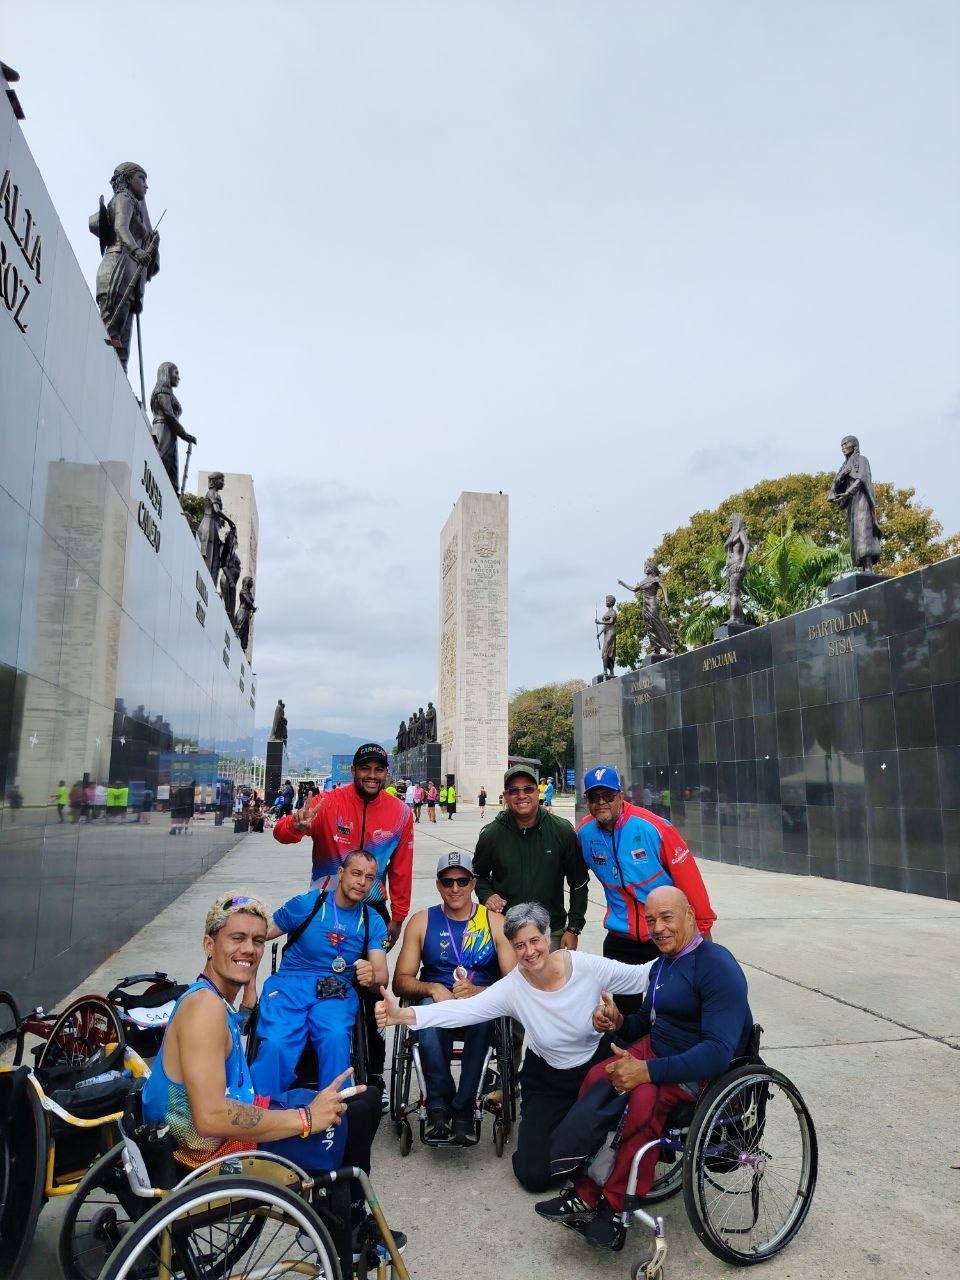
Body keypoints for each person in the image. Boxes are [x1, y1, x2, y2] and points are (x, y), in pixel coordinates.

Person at [141, 890, 398, 1269]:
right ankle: (344, 1225)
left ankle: (341, 1213)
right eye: (237, 938)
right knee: (355, 1114)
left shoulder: (208, 997)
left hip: (209, 1136)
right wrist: (304, 1119)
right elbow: (210, 1117)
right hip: (209, 1156)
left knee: (363, 1099)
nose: (249, 949)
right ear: (209, 944)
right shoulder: (204, 1010)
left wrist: (248, 993)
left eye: (258, 940)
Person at [377, 902, 653, 1191]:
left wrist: (681, 950)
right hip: (549, 1080)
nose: (529, 951)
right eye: (520, 945)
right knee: (532, 1174)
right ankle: (584, 1139)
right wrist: (402, 1015)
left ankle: (591, 1134)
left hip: (597, 1067)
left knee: (621, 1115)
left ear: (547, 936)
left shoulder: (584, 966)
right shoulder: (513, 987)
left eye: (535, 940)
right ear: (512, 947)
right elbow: (462, 1010)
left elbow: (642, 976)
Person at [535, 887, 752, 1250]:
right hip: (656, 1051)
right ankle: (584, 1190)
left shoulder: (717, 967)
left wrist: (646, 1072)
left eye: (667, 918)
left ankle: (614, 1205)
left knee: (643, 1099)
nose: (658, 928)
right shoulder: (664, 963)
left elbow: (717, 1052)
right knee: (598, 1076)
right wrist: (618, 1020)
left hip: (698, 1072)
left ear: (690, 915)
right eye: (651, 920)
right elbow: (649, 1023)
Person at [273, 743, 414, 1098]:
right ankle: (301, 1069)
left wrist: (398, 916)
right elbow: (282, 833)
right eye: (365, 768)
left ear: (386, 773)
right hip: (320, 911)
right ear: (353, 771)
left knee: (371, 990)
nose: (371, 775)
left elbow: (401, 870)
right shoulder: (328, 802)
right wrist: (295, 825)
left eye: (378, 769)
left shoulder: (400, 814)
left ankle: (375, 1076)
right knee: (310, 981)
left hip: (371, 915)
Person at [392, 853, 515, 1143]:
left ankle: (464, 1106)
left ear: (473, 883)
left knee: (485, 1014)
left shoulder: (495, 922)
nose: (455, 888)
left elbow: (515, 984)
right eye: (448, 882)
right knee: (426, 1015)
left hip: (481, 1000)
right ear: (438, 885)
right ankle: (439, 1105)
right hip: (437, 1002)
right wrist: (433, 988)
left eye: (462, 881)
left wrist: (478, 993)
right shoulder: (422, 921)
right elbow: (400, 981)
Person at [249, 852, 388, 1097]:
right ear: (341, 873)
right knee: (277, 1042)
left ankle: (336, 1110)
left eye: (369, 877)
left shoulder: (372, 920)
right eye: (356, 873)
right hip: (290, 982)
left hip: (335, 988)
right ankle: (261, 1109)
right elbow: (255, 938)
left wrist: (372, 977)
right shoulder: (307, 904)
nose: (362, 882)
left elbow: (381, 975)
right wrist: (249, 988)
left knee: (336, 1037)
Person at [577, 766, 716, 1011]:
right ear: (586, 800)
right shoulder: (584, 833)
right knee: (626, 1016)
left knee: (669, 1011)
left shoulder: (653, 827)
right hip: (621, 939)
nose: (601, 802)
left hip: (665, 935)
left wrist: (702, 929)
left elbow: (690, 880)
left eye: (608, 795)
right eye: (594, 797)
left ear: (621, 796)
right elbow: (573, 877)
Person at [474, 765, 589, 949]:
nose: (521, 796)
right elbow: (478, 875)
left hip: (551, 933)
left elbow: (579, 882)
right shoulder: (491, 835)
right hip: (506, 933)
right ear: (505, 796)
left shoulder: (562, 831)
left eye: (528, 789)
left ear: (538, 793)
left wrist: (573, 928)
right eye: (514, 791)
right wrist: (487, 895)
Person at [88, 162, 159, 372]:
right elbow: (120, 227)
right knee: (109, 334)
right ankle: (98, 375)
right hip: (117, 268)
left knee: (122, 348)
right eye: (141, 178)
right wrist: (138, 250)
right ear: (128, 179)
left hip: (130, 273)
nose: (146, 185)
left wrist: (151, 244)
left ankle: (119, 382)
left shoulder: (136, 205)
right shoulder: (123, 198)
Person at [828, 435, 882, 570]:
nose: (843, 447)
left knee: (863, 531)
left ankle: (868, 567)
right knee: (855, 534)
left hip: (862, 501)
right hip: (852, 503)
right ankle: (863, 566)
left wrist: (848, 493)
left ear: (854, 445)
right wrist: (841, 478)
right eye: (841, 445)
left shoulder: (862, 460)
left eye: (846, 444)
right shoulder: (844, 466)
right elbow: (837, 485)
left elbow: (861, 479)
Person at [149, 362, 196, 493]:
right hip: (163, 431)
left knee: (173, 482)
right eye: (176, 373)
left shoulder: (169, 393)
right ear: (167, 373)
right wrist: (184, 434)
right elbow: (169, 414)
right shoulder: (162, 390)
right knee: (159, 466)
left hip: (171, 434)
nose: (179, 377)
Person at [724, 512, 750, 625]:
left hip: (737, 564)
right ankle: (738, 619)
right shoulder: (731, 535)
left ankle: (734, 618)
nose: (729, 522)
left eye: (731, 520)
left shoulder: (741, 533)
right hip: (730, 567)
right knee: (734, 593)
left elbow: (747, 546)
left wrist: (743, 562)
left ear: (735, 521)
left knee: (734, 592)